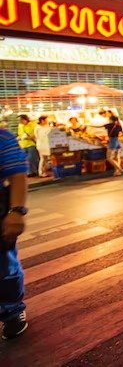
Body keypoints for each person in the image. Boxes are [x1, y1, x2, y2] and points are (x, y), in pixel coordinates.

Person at [0, 128, 29, 339]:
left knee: (4, 267)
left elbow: (18, 174)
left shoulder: (2, 137)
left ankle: (12, 312)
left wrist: (17, 211)